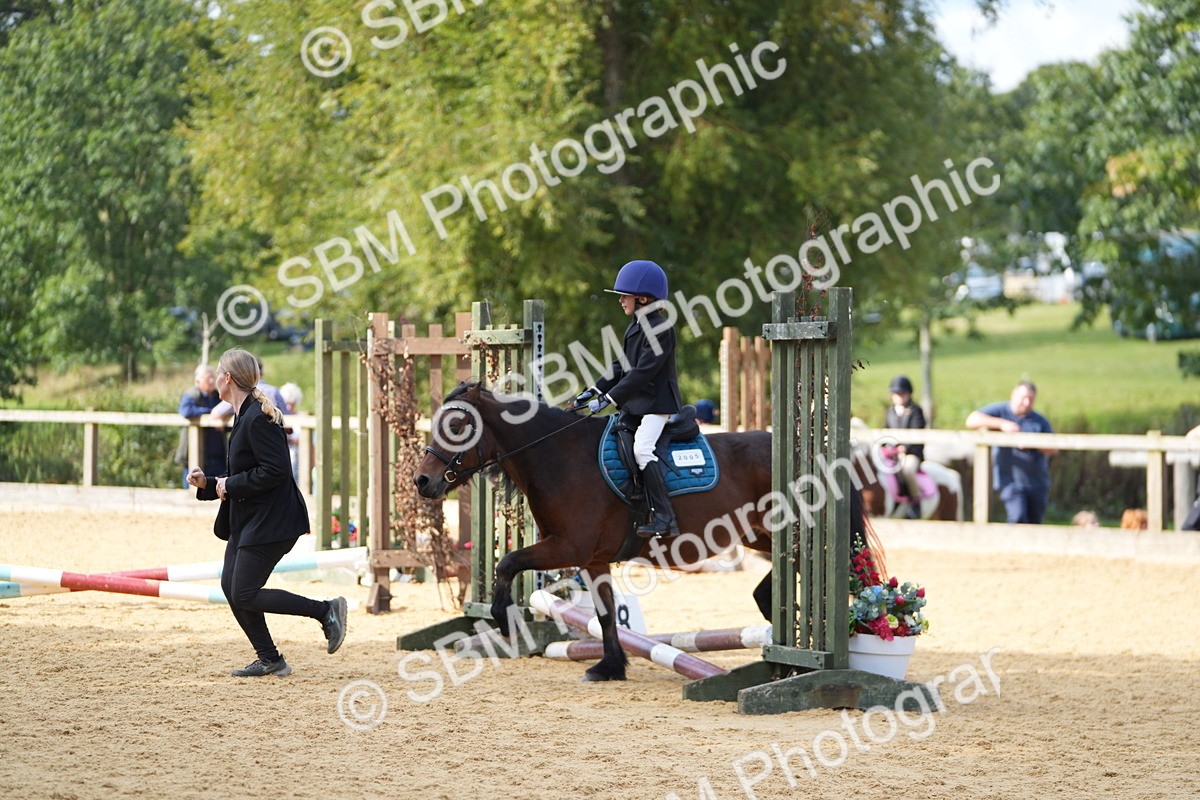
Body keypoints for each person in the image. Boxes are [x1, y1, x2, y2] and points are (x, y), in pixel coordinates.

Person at [187, 348, 346, 678]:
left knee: (244, 592)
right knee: (232, 587)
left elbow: (275, 471)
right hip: (248, 520)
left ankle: (325, 610)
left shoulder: (258, 418)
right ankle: (270, 659)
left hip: (273, 521)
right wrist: (210, 483)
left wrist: (229, 484)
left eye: (218, 372)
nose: (214, 379)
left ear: (227, 378)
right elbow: (247, 473)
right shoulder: (243, 414)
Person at [576, 259, 683, 538]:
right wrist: (594, 389)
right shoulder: (636, 325)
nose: (620, 300)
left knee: (642, 449)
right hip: (638, 404)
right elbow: (621, 365)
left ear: (643, 298)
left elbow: (642, 373)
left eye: (624, 296)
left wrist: (610, 398)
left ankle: (664, 518)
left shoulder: (661, 328)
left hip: (657, 405)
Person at [965, 381, 1057, 524]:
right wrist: (1002, 424)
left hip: (1037, 483)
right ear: (1013, 395)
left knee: (1035, 523)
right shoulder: (1000, 411)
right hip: (1010, 482)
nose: (1026, 403)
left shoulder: (1040, 421)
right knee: (1018, 516)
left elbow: (1054, 448)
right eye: (1023, 398)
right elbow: (972, 420)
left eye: (1031, 399)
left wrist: (1032, 444)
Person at [176, 365, 229, 489]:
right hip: (196, 458)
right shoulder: (192, 394)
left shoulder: (218, 396)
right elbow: (186, 411)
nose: (212, 381)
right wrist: (211, 413)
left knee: (220, 492)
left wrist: (222, 420)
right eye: (208, 378)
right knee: (193, 492)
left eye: (213, 377)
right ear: (198, 380)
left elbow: (231, 411)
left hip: (218, 456)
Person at [885, 375, 926, 519]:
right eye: (896, 394)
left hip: (911, 453)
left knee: (907, 469)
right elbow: (885, 431)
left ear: (909, 394)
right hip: (893, 452)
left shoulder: (915, 411)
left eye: (902, 393)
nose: (900, 397)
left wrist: (905, 448)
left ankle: (915, 502)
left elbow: (917, 432)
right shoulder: (890, 412)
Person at [279, 382, 303, 483]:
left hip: (299, 462)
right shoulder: (277, 418)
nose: (288, 407)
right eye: (286, 403)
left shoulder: (301, 418)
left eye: (291, 404)